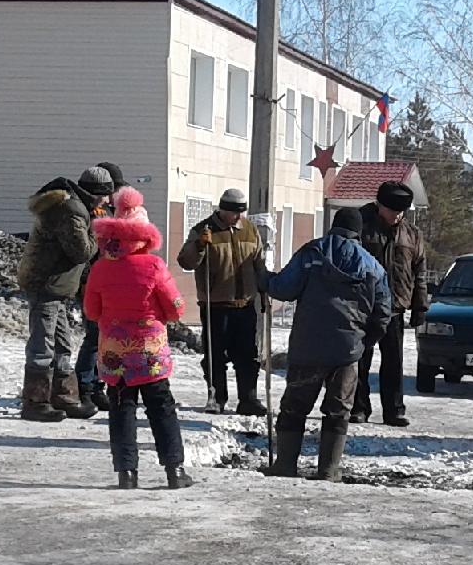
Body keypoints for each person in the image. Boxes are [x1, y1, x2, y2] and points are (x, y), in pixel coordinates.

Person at [261, 208, 392, 481]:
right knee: (338, 410)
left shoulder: (312, 253)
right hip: (347, 351)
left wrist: (263, 278)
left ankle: (285, 465)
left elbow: (283, 289)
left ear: (333, 226)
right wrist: (363, 342)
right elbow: (383, 314)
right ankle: (329, 470)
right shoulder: (373, 266)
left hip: (307, 345)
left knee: (295, 406)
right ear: (358, 232)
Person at [84, 186, 193, 489]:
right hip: (149, 351)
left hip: (114, 351)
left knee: (121, 409)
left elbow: (92, 311)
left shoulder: (100, 268)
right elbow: (175, 308)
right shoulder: (154, 265)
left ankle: (127, 474)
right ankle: (174, 470)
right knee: (161, 409)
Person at [17, 167, 112, 422]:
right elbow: (81, 251)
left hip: (58, 287)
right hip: (47, 284)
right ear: (95, 194)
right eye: (105, 196)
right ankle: (35, 401)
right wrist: (98, 231)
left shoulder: (75, 207)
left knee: (61, 343)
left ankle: (63, 395)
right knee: (43, 344)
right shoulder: (72, 211)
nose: (107, 202)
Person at [176, 188, 267, 416]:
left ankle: (248, 399)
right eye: (234, 213)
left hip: (245, 305)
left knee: (247, 355)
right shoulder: (203, 230)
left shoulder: (249, 229)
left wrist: (264, 286)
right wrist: (198, 246)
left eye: (241, 213)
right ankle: (216, 398)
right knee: (215, 356)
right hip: (216, 306)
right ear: (223, 210)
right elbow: (186, 261)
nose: (238, 217)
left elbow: (258, 261)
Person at [350, 181, 428, 427]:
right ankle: (359, 407)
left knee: (393, 363)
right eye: (393, 212)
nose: (397, 217)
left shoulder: (412, 234)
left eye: (401, 213)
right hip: (364, 307)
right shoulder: (361, 227)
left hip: (395, 308)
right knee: (360, 361)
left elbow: (419, 272)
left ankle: (394, 410)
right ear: (380, 206)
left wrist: (420, 306)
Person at [74, 161, 128, 412]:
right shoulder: (87, 214)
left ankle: (97, 385)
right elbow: (85, 252)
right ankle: (84, 385)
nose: (110, 198)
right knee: (94, 337)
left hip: (111, 283)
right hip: (92, 284)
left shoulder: (108, 213)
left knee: (106, 338)